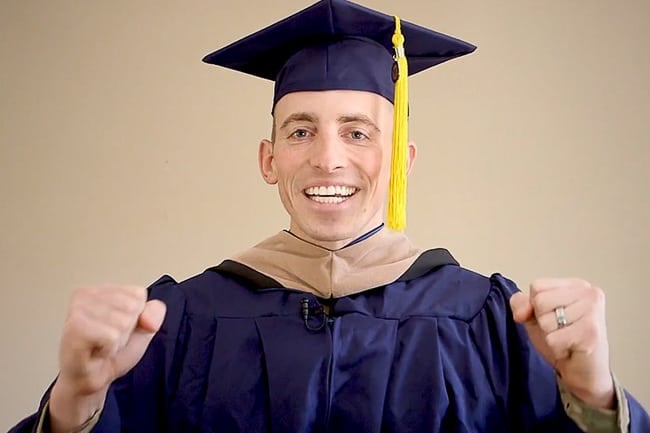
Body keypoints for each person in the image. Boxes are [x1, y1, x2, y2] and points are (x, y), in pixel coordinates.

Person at [9, 0, 650, 432]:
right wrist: (72, 404)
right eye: (300, 132)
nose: (328, 159)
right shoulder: (177, 323)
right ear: (268, 159)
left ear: (402, 158)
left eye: (358, 132)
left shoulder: (491, 319)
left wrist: (596, 400)